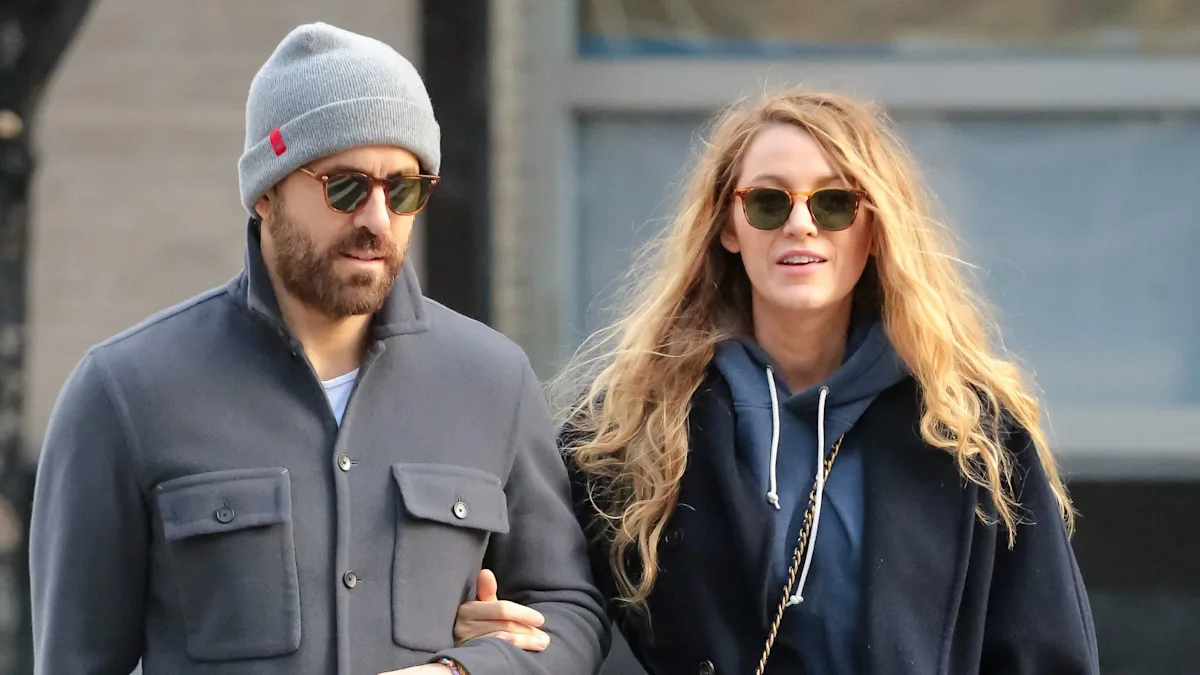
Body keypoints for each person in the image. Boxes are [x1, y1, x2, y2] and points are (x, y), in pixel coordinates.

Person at [452, 89, 1100, 674]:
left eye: (834, 201)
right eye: (768, 201)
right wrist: (496, 632)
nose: (801, 223)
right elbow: (554, 605)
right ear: (729, 227)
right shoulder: (631, 430)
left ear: (874, 227)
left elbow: (1047, 653)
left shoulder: (970, 433)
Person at [29, 22, 608, 675]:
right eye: (345, 186)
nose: (377, 219)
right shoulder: (123, 392)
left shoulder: (494, 381)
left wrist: (468, 669)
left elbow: (570, 613)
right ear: (267, 191)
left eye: (405, 188)